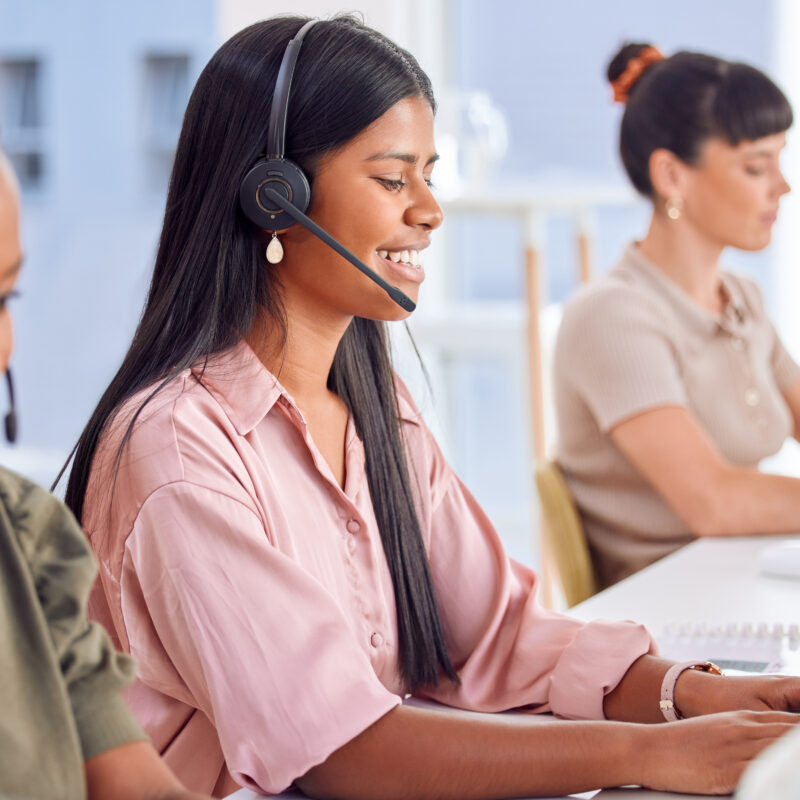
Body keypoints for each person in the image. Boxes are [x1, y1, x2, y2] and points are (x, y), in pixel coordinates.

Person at [60, 17, 800, 799]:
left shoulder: (380, 413)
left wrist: (695, 692)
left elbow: (497, 638)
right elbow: (338, 748)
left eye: (430, 176)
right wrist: (647, 755)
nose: (430, 211)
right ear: (275, 196)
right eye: (392, 179)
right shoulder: (179, 449)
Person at [0, 154, 212, 798]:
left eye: (4, 296)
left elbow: (134, 786)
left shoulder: (25, 533)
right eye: (392, 178)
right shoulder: (175, 447)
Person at [554, 43, 800, 589]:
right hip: (668, 622)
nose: (781, 186)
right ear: (671, 175)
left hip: (744, 587)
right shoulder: (612, 317)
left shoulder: (741, 299)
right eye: (757, 166)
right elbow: (714, 502)